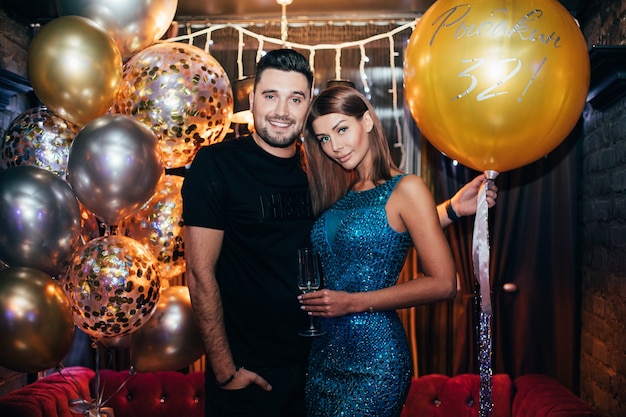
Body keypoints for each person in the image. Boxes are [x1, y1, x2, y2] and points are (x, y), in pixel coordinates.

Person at [182, 49, 496, 417]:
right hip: (253, 370)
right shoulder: (217, 165)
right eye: (270, 96)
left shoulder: (318, 171)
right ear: (252, 99)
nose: (282, 111)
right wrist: (224, 370)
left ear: (307, 105)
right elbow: (199, 274)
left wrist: (451, 210)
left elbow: (366, 228)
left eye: (295, 98)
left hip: (317, 358)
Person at [299, 85, 457, 417]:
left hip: (375, 359)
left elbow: (444, 283)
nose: (335, 146)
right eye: (324, 138)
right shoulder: (339, 191)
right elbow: (370, 241)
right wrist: (452, 210)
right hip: (323, 354)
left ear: (368, 121)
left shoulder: (406, 188)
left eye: (342, 129)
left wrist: (352, 302)